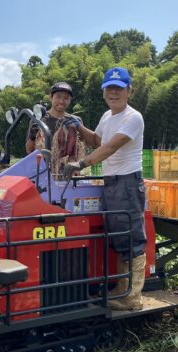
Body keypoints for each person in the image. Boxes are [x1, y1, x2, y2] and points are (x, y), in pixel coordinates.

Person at [63, 67, 146, 310]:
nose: (114, 93)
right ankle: (123, 288)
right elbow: (97, 141)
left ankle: (133, 298)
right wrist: (79, 126)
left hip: (128, 182)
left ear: (129, 91)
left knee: (131, 237)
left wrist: (81, 163)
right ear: (103, 92)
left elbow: (109, 148)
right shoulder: (107, 117)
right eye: (110, 88)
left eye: (119, 89)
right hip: (111, 181)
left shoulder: (133, 117)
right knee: (119, 236)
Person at [26, 82, 95, 178]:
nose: (62, 101)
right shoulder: (39, 120)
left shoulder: (75, 121)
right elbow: (29, 150)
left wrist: (79, 127)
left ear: (70, 100)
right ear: (51, 97)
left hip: (70, 174)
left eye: (66, 98)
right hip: (44, 174)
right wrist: (32, 137)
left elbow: (87, 144)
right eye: (58, 97)